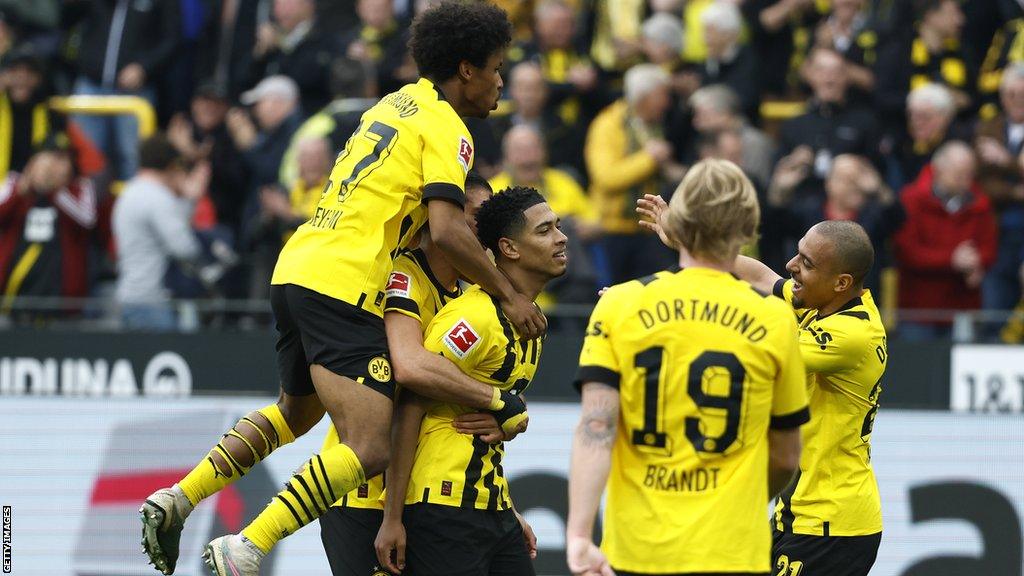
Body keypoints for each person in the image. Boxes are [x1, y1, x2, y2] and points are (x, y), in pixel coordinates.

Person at [139, 3, 544, 575]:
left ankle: (179, 496)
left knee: (296, 413)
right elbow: (450, 229)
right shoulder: (449, 129)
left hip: (300, 262)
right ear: (466, 69)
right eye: (498, 66)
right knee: (369, 444)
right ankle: (248, 545)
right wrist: (508, 293)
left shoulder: (393, 103)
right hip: (347, 281)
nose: (502, 78)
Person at [567, 159, 808, 576]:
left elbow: (597, 428)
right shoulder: (773, 317)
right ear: (748, 228)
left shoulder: (620, 303)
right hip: (732, 548)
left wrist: (578, 536)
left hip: (637, 549)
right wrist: (745, 501)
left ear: (676, 225)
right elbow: (787, 456)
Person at [637, 194, 889, 576]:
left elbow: (749, 349)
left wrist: (645, 314)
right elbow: (760, 277)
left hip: (832, 524)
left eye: (806, 262)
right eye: (797, 254)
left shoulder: (851, 335)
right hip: (801, 513)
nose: (791, 266)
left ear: (841, 282)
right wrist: (691, 244)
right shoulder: (822, 302)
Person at [319, 174, 517, 576]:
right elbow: (410, 370)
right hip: (362, 491)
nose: (490, 228)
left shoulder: (462, 298)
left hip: (412, 490)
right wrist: (497, 401)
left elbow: (448, 407)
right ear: (445, 219)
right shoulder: (402, 275)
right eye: (480, 216)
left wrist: (506, 509)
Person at [375, 186, 567, 576]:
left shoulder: (532, 322)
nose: (561, 238)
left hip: (491, 504)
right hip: (442, 506)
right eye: (545, 230)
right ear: (509, 249)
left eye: (558, 227)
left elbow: (491, 413)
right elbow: (409, 401)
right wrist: (393, 517)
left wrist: (509, 508)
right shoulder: (475, 318)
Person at [894, 141, 997, 340]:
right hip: (918, 311)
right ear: (938, 171)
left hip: (962, 308)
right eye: (959, 175)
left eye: (969, 175)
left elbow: (989, 249)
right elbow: (907, 251)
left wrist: (976, 261)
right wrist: (952, 260)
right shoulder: (911, 200)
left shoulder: (981, 204)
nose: (966, 181)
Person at [112, 134, 209, 331]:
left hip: (129, 295)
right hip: (152, 302)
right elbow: (185, 247)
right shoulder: (157, 197)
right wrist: (190, 199)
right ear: (171, 166)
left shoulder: (129, 192)